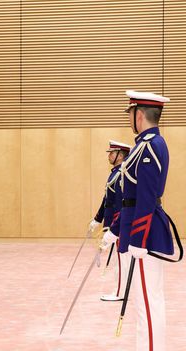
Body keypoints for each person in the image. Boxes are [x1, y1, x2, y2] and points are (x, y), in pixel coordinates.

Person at [101, 90, 178, 351]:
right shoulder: (144, 146)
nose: (129, 118)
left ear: (140, 114)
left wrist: (137, 238)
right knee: (145, 301)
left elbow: (145, 197)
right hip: (141, 232)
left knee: (148, 300)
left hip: (145, 234)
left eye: (131, 113)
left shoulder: (150, 146)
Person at [91, 141, 130, 301]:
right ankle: (121, 289)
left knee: (120, 260)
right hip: (113, 222)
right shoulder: (114, 173)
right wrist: (97, 219)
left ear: (120, 155)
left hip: (118, 223)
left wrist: (115, 227)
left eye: (112, 153)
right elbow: (107, 199)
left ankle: (120, 292)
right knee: (118, 259)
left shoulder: (121, 173)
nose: (109, 156)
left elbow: (122, 203)